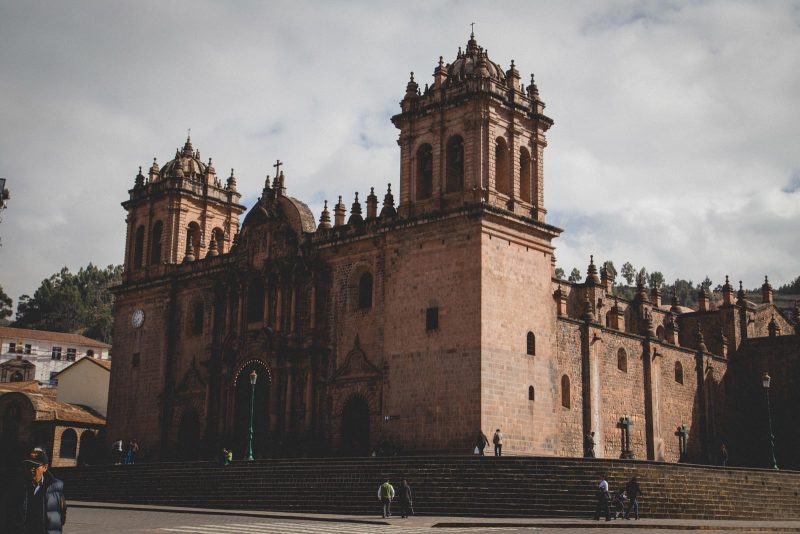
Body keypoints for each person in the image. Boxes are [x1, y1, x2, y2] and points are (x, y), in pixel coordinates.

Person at [0, 447, 67, 533]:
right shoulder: (16, 487)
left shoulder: (55, 489)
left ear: (45, 467)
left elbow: (62, 515)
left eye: (35, 466)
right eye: (28, 465)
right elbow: (5, 515)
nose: (31, 469)